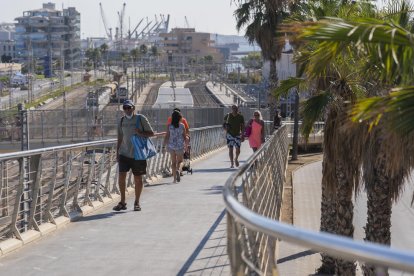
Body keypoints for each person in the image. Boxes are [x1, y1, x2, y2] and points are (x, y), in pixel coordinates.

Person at [113, 99, 154, 212]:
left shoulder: (141, 119)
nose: (127, 110)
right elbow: (120, 138)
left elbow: (151, 133)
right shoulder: (121, 121)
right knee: (121, 177)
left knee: (138, 179)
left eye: (129, 107)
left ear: (133, 108)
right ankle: (122, 202)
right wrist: (117, 152)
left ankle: (137, 202)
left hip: (138, 154)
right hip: (124, 154)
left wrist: (140, 133)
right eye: (125, 108)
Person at [163, 111, 186, 183]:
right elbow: (184, 136)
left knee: (173, 162)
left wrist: (164, 145)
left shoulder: (169, 126)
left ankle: (174, 179)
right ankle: (178, 170)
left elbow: (167, 136)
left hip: (171, 146)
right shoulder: (182, 125)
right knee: (181, 161)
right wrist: (186, 145)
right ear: (180, 118)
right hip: (179, 146)